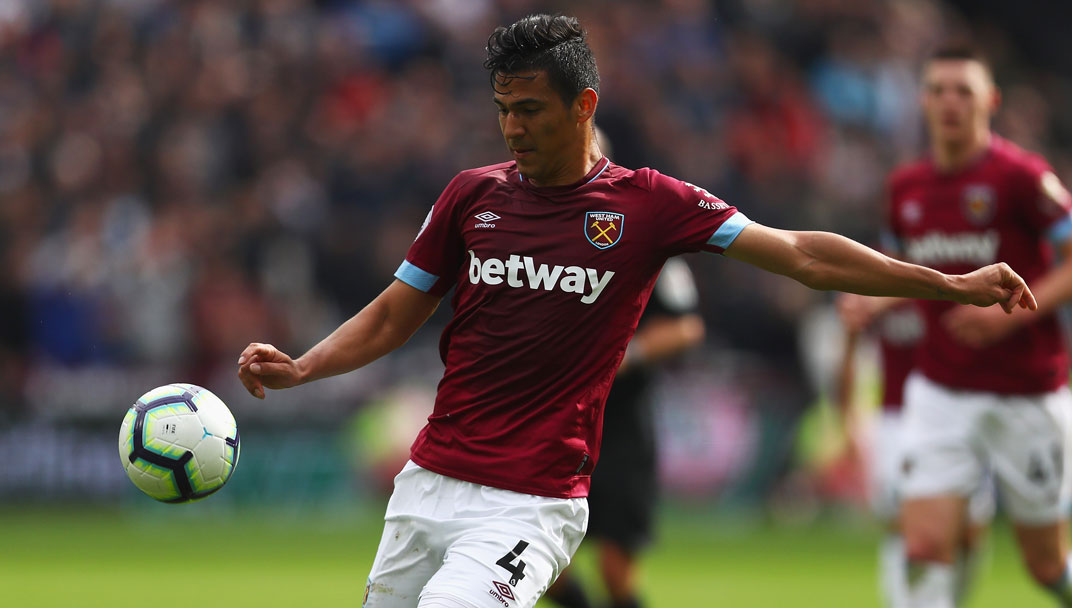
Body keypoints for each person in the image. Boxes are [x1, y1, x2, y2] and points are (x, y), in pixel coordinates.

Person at [236, 16, 1035, 608]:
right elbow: (389, 317)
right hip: (428, 481)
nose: (513, 128)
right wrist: (304, 365)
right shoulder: (470, 197)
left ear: (583, 105)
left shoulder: (648, 204)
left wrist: (951, 284)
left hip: (532, 500)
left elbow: (801, 254)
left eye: (531, 111)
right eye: (503, 109)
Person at [875, 45, 1072, 608]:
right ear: (923, 101)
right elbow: (905, 272)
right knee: (924, 544)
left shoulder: (1024, 179)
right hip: (942, 388)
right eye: (939, 90)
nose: (950, 102)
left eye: (964, 90)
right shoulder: (905, 189)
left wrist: (1003, 317)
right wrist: (874, 305)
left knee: (1045, 564)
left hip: (1027, 391)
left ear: (991, 100)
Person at [545, 258, 705, 608]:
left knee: (615, 568)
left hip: (622, 430)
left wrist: (618, 358)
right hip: (555, 421)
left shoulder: (658, 255)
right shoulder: (546, 245)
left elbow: (686, 327)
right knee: (543, 564)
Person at [836, 294, 994, 607]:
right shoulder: (872, 276)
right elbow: (850, 351)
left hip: (960, 415)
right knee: (907, 530)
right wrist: (848, 419)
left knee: (969, 533)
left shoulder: (952, 272)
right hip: (897, 421)